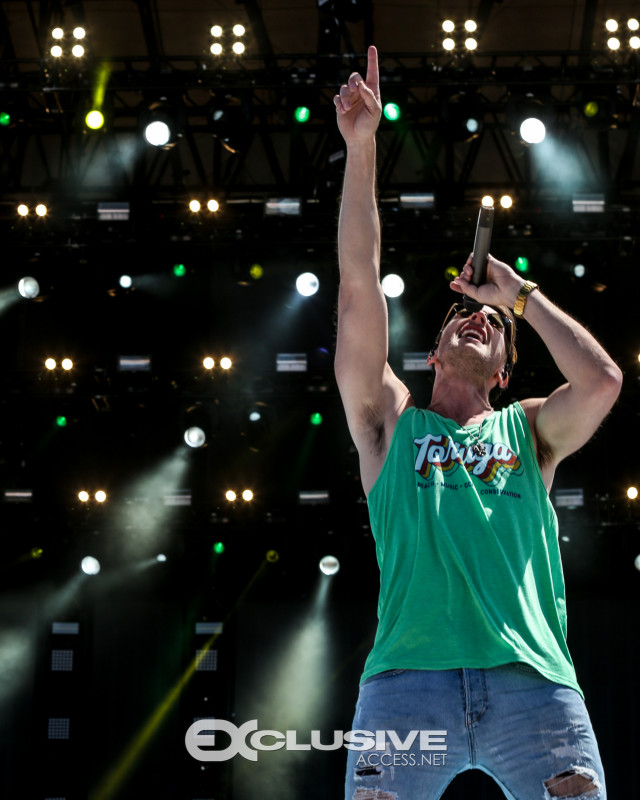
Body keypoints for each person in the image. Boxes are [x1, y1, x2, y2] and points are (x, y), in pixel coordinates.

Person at [333, 46, 622, 800]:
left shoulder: (529, 431)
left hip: (534, 683)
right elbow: (359, 288)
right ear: (432, 353)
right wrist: (361, 150)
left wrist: (519, 295)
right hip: (406, 682)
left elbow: (601, 382)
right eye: (464, 316)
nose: (479, 319)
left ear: (502, 373)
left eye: (494, 326)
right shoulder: (390, 422)